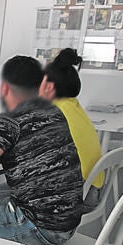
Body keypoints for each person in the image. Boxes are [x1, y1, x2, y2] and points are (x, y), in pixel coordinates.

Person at [0, 55, 82, 245]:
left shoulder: (9, 121)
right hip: (68, 222)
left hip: (42, 226)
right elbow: (30, 151)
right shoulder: (53, 112)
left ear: (4, 87)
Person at [41, 48, 103, 193]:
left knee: (5, 193)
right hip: (91, 186)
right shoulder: (73, 106)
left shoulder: (53, 113)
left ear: (49, 87)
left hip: (74, 193)